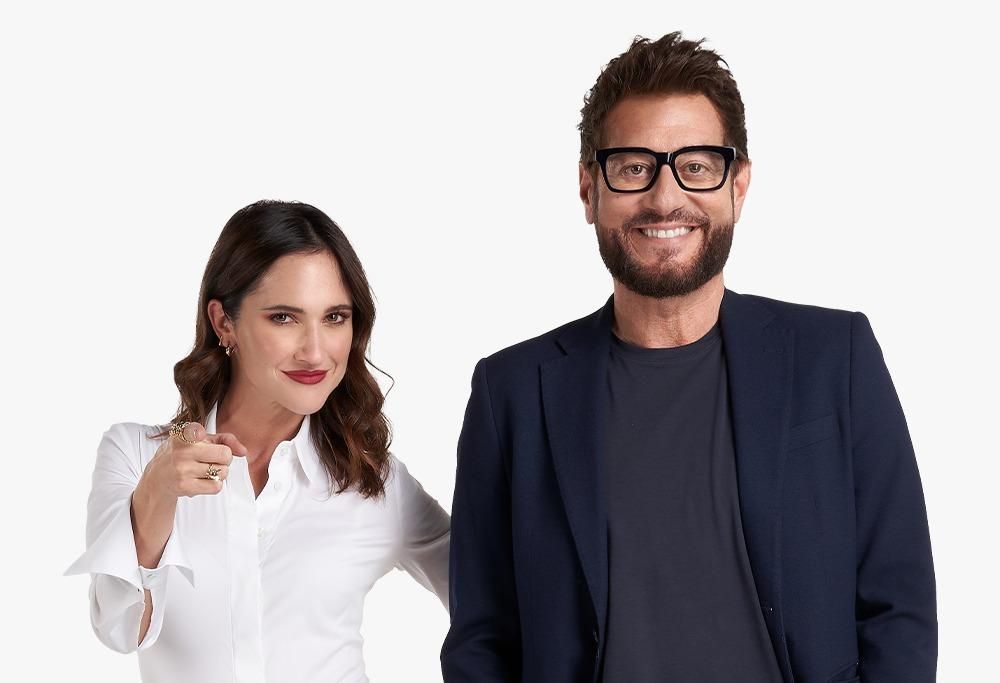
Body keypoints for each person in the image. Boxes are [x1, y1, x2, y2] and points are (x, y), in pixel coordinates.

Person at [441, 32, 936, 683]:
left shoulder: (834, 358)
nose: (665, 197)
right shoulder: (511, 393)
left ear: (739, 185)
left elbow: (899, 605)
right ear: (588, 189)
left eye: (696, 166)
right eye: (633, 167)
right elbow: (481, 638)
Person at [66, 200, 450, 683]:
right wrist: (158, 491)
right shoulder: (133, 454)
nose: (316, 351)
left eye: (335, 317)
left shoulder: (375, 480)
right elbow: (120, 629)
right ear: (224, 322)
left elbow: (497, 598)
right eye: (284, 317)